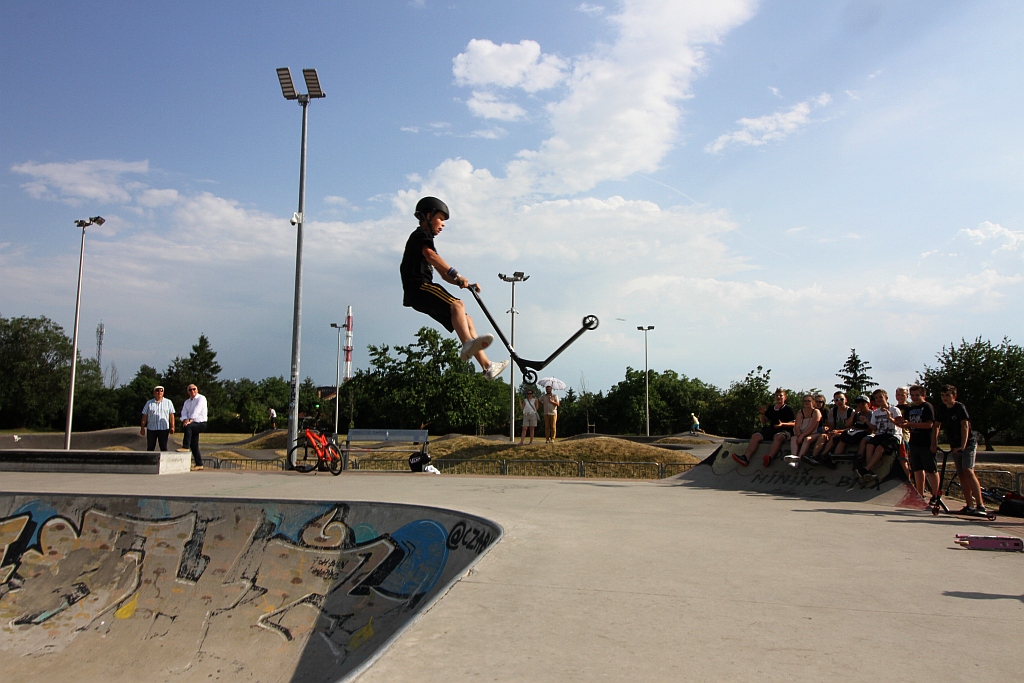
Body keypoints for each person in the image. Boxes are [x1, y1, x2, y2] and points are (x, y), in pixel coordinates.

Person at [400, 196, 508, 381]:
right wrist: (457, 274)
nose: (443, 224)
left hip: (419, 293)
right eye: (441, 219)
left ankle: (487, 367)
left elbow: (443, 274)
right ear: (428, 216)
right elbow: (432, 257)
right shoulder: (420, 235)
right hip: (419, 287)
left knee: (466, 319)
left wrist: (463, 283)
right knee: (457, 305)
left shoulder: (426, 240)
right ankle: (467, 344)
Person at [934, 384, 985, 515]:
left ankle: (980, 504)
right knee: (961, 474)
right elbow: (936, 426)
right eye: (942, 395)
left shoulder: (959, 408)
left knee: (968, 470)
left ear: (954, 396)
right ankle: (969, 505)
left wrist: (963, 445)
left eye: (948, 395)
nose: (945, 398)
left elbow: (965, 426)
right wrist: (934, 443)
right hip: (954, 445)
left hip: (968, 444)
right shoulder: (942, 409)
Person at [732, 388, 795, 468]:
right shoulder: (771, 408)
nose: (778, 397)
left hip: (784, 430)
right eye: (777, 395)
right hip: (772, 429)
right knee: (756, 436)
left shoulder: (788, 409)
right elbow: (764, 422)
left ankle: (770, 457)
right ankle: (746, 458)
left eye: (780, 396)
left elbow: (794, 423)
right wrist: (762, 414)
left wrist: (782, 424)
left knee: (778, 437)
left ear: (785, 398)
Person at [858, 388, 903, 483]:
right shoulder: (876, 412)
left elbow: (900, 424)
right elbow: (874, 428)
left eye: (880, 397)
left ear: (886, 398)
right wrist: (866, 421)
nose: (879, 399)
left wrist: (890, 418)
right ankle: (869, 470)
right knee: (869, 445)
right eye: (876, 398)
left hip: (893, 435)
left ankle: (866, 469)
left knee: (880, 448)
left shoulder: (894, 410)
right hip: (880, 434)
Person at [905, 384, 938, 499]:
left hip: (926, 442)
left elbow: (929, 424)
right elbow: (908, 424)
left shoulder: (927, 407)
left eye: (917, 395)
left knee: (931, 469)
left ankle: (935, 495)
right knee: (917, 469)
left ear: (923, 395)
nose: (914, 398)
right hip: (914, 442)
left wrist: (911, 424)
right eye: (912, 395)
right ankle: (920, 494)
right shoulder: (911, 409)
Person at [808, 392, 853, 464]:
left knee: (835, 436)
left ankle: (823, 455)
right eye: (837, 400)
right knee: (823, 436)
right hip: (834, 431)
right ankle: (814, 456)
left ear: (846, 400)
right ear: (834, 401)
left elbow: (852, 428)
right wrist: (827, 428)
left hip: (846, 432)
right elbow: (831, 425)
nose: (839, 401)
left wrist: (838, 431)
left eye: (841, 399)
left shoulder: (851, 412)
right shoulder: (833, 411)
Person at [784, 395, 821, 465]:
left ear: (813, 402)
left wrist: (802, 436)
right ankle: (794, 457)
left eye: (808, 401)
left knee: (807, 439)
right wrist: (799, 435)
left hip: (814, 433)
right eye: (805, 401)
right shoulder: (800, 412)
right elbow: (797, 426)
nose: (806, 402)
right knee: (794, 438)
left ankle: (799, 458)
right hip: (802, 432)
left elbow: (813, 426)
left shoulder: (816, 412)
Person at [178, 384, 208, 470]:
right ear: (188, 392)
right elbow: (184, 412)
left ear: (197, 390)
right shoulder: (187, 402)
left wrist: (190, 420)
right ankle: (199, 464)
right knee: (194, 445)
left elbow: (197, 410)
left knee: (188, 427)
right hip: (192, 423)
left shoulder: (201, 398)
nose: (192, 391)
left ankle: (185, 446)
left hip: (201, 422)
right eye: (190, 390)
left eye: (194, 389)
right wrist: (185, 420)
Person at [140, 386, 175, 451]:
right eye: (157, 391)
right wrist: (142, 428)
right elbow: (144, 415)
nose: (159, 392)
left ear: (163, 393)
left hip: (164, 428)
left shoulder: (168, 402)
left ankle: (164, 458)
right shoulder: (149, 403)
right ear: (154, 393)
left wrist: (172, 426)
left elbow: (171, 415)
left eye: (161, 391)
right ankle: (150, 458)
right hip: (151, 428)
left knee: (163, 447)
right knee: (150, 448)